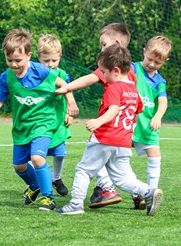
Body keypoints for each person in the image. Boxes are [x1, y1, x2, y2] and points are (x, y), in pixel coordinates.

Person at [55, 44, 163, 216]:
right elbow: (139, 109)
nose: (103, 76)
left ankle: (75, 204)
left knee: (84, 170)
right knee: (122, 178)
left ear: (115, 71)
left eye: (103, 72)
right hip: (124, 141)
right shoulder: (133, 90)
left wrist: (99, 121)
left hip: (105, 137)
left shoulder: (114, 87)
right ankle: (148, 191)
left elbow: (113, 110)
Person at [0, 28, 79, 211]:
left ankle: (47, 197)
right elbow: (0, 99)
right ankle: (35, 185)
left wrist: (71, 104)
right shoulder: (6, 77)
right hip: (22, 127)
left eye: (18, 60)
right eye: (9, 60)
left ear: (29, 55)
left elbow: (63, 84)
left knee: (36, 158)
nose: (13, 64)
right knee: (18, 165)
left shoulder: (41, 71)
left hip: (44, 123)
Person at [57, 23, 135, 208]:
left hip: (108, 125)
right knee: (120, 166)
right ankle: (138, 193)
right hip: (125, 127)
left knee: (91, 157)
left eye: (103, 44)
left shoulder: (111, 66)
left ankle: (105, 190)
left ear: (115, 43)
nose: (101, 48)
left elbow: (90, 79)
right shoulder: (130, 71)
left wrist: (67, 87)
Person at [23, 34, 73, 196]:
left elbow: (68, 93)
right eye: (46, 61)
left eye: (54, 60)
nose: (50, 65)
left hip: (57, 120)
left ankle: (56, 178)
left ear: (59, 57)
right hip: (38, 121)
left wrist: (69, 113)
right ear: (39, 58)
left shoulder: (63, 75)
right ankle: (36, 182)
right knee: (34, 154)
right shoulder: (35, 74)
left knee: (60, 152)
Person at [130, 35, 172, 209]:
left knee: (155, 156)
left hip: (148, 125)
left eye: (158, 63)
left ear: (164, 61)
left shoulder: (159, 81)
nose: (152, 64)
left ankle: (151, 194)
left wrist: (158, 116)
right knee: (120, 158)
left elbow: (162, 101)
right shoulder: (133, 69)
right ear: (144, 52)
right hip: (129, 122)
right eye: (150, 59)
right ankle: (135, 191)